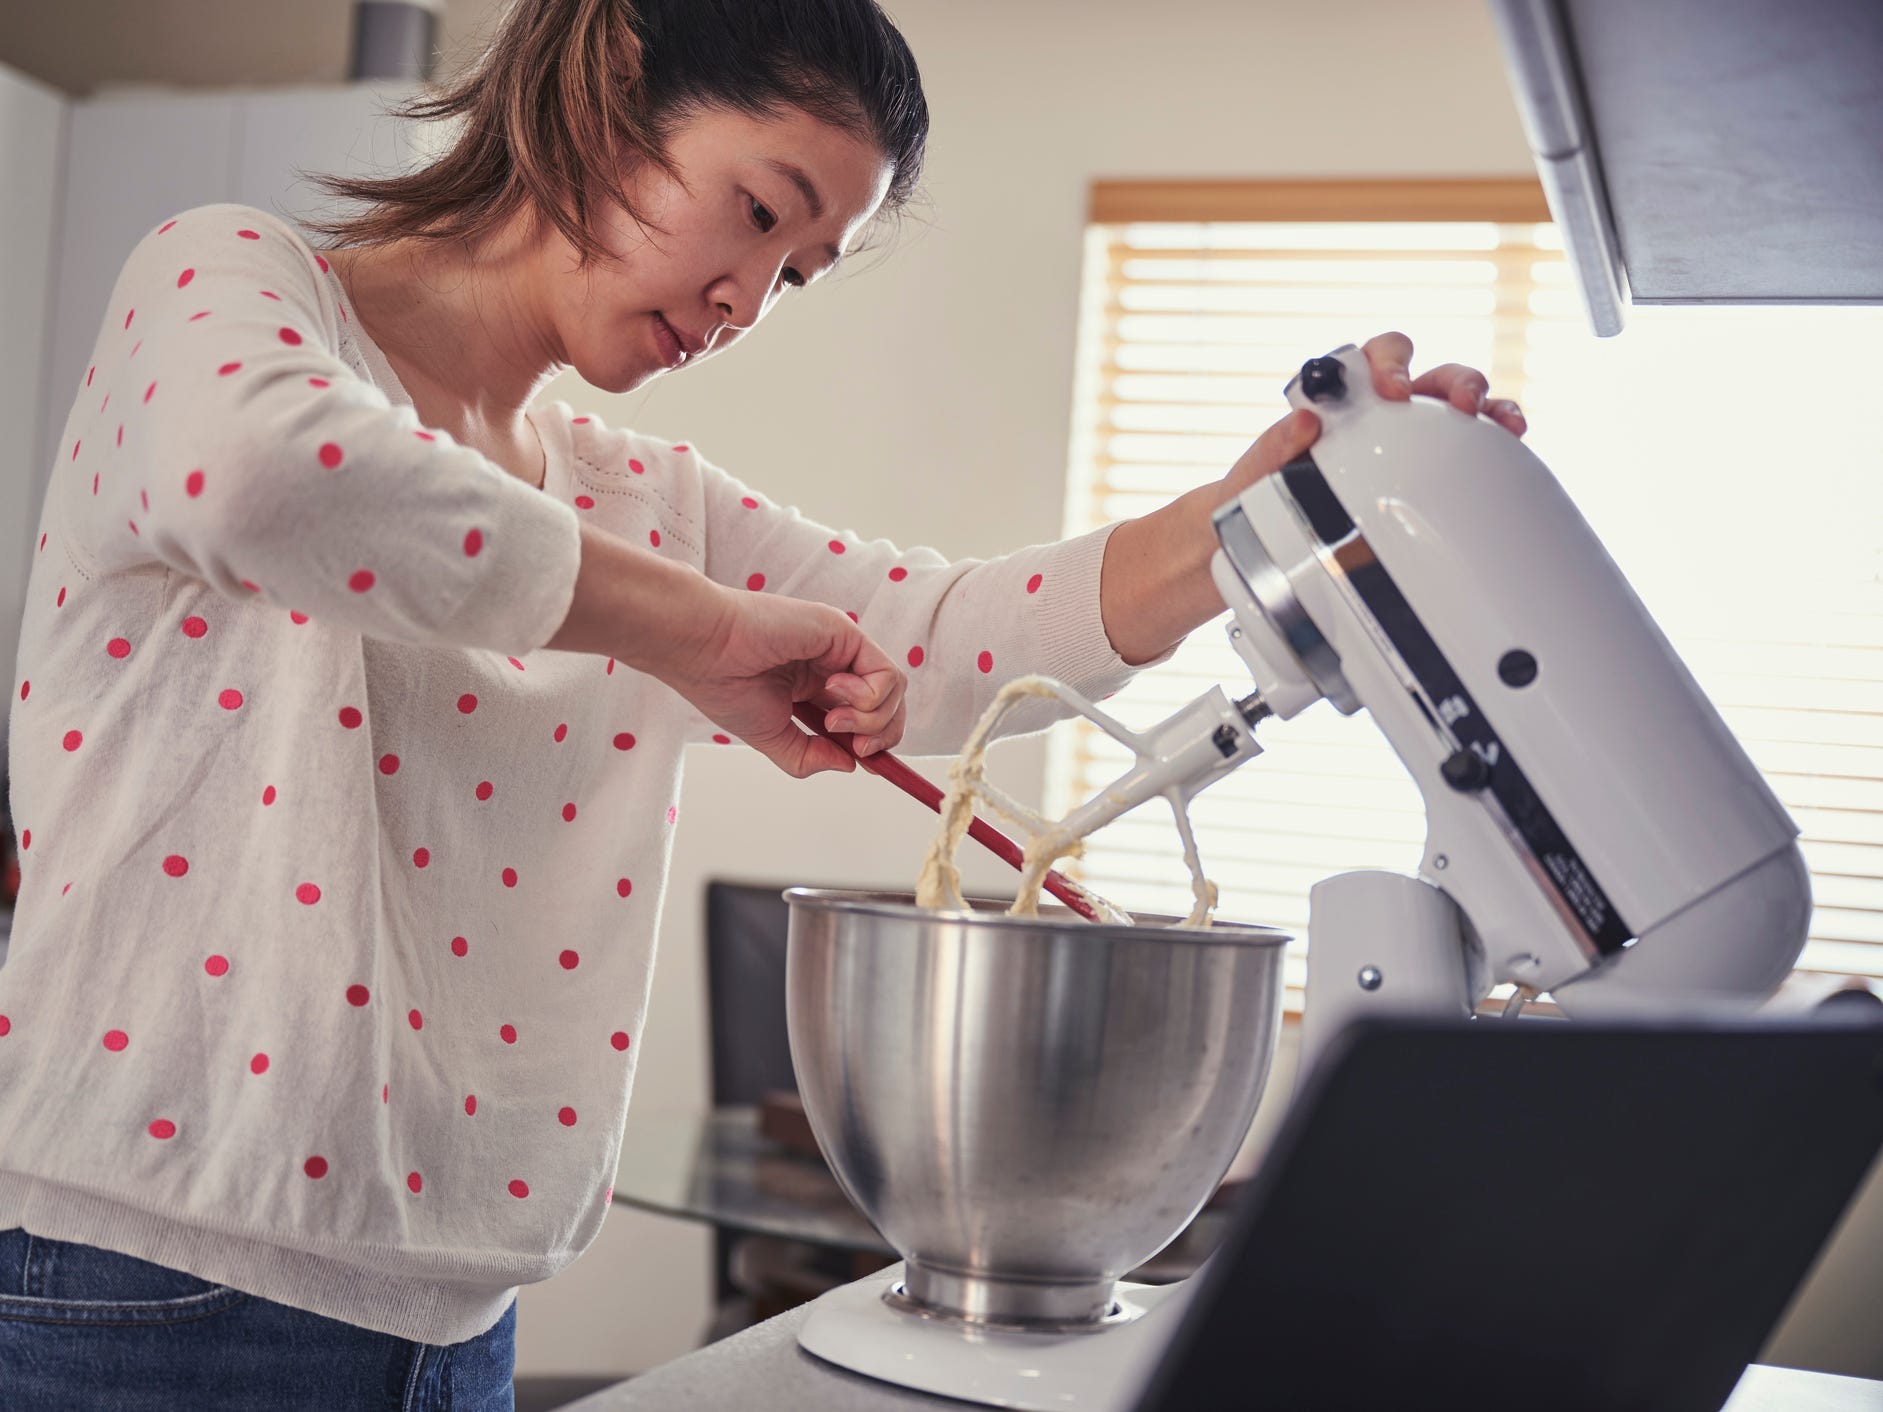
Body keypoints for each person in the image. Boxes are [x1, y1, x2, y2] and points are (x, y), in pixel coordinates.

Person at [0, 0, 1525, 1405]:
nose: (749, 301)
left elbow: (941, 629)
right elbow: (269, 478)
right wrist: (696, 630)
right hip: (135, 1292)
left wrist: (1250, 515)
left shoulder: (634, 493)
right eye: (758, 211)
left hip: (457, 1326)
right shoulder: (226, 278)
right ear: (605, 91)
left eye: (797, 273)